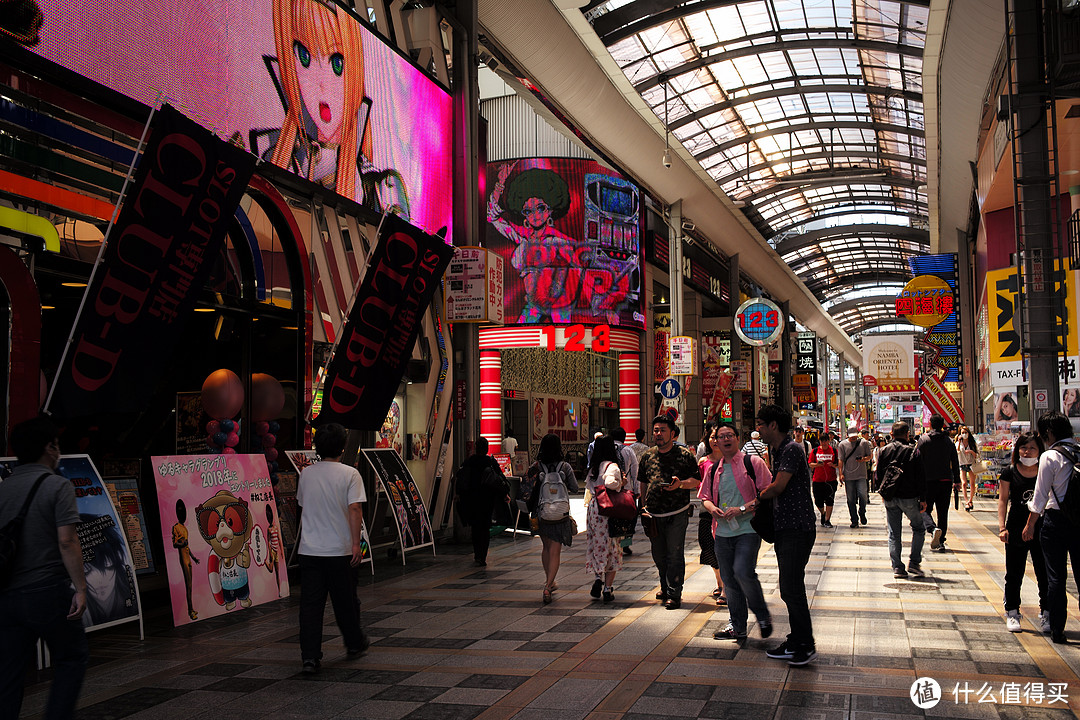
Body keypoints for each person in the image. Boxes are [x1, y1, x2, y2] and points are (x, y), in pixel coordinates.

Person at [269, 0, 408, 216]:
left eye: (337, 63)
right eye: (304, 57)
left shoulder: (379, 189)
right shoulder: (277, 155)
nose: (321, 84)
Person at [0, 417, 89, 719]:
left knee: (9, 674)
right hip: (48, 592)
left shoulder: (4, 487)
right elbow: (67, 541)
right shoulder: (57, 486)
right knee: (71, 657)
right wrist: (81, 588)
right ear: (49, 447)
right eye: (57, 445)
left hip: (8, 595)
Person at [296, 423, 370, 673]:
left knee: (310, 605)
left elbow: (303, 505)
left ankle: (309, 656)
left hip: (310, 551)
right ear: (342, 446)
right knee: (346, 602)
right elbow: (355, 509)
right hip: (339, 551)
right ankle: (354, 643)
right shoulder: (350, 474)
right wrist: (355, 544)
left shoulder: (306, 474)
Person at [755, 404, 818, 666]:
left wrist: (756, 496)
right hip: (786, 527)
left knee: (792, 587)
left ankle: (805, 644)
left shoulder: (791, 448)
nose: (757, 429)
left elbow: (779, 486)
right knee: (789, 587)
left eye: (760, 423)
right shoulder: (779, 449)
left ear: (773, 425)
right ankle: (796, 640)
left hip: (797, 527)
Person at [698, 423, 773, 641]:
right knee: (729, 580)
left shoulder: (753, 462)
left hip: (748, 529)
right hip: (722, 533)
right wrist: (714, 510)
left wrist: (742, 509)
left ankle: (762, 615)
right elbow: (705, 498)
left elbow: (767, 492)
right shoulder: (713, 469)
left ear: (738, 438)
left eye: (729, 435)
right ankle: (737, 626)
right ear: (716, 442)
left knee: (742, 572)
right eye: (721, 436)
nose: (725, 439)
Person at [488, 161, 581, 323]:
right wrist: (500, 183)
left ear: (551, 209)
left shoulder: (557, 242)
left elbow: (580, 269)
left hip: (559, 305)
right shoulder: (521, 238)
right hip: (533, 304)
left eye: (540, 208)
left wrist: (604, 303)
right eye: (528, 211)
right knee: (516, 340)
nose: (535, 215)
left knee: (567, 344)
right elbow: (492, 217)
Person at [1022, 411, 1079, 643]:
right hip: (1079, 522)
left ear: (1048, 433)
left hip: (1055, 522)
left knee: (1056, 577)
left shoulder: (1050, 456)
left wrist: (1029, 525)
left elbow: (1040, 497)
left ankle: (1057, 629)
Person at [639, 414, 701, 609]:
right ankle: (665, 586)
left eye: (662, 430)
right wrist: (642, 506)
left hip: (677, 513)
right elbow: (643, 482)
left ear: (673, 434)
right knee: (659, 554)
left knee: (674, 554)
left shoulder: (684, 455)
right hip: (653, 515)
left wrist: (680, 485)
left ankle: (674, 593)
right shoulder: (648, 456)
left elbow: (697, 480)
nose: (658, 434)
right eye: (656, 430)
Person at [998, 432, 1049, 634]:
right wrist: (1002, 527)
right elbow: (1003, 500)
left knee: (1043, 572)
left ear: (1040, 451)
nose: (1027, 452)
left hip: (1042, 528)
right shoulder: (1009, 472)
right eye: (1023, 448)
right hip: (1015, 527)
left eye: (1032, 448)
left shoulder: (1045, 471)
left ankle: (1046, 611)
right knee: (1014, 572)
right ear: (1017, 449)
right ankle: (1012, 611)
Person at [524, 433, 579, 604]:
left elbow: (527, 489)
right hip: (560, 515)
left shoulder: (536, 466)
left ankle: (550, 580)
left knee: (546, 548)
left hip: (541, 514)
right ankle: (548, 587)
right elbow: (575, 488)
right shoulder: (565, 467)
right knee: (555, 550)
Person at [876, 422, 926, 579]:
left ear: (891, 434)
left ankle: (897, 567)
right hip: (910, 497)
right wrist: (923, 498)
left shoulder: (883, 451)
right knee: (918, 528)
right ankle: (914, 563)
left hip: (890, 497)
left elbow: (878, 474)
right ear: (907, 434)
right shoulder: (913, 451)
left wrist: (882, 492)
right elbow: (921, 476)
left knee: (894, 533)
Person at [585, 436, 626, 603]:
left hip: (594, 508)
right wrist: (620, 483)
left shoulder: (593, 468)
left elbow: (588, 487)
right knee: (613, 546)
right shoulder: (612, 466)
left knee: (597, 543)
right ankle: (608, 589)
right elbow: (610, 483)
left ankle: (597, 578)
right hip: (608, 509)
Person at [455, 437, 507, 567]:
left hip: (471, 499)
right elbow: (500, 479)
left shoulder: (469, 461)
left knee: (475, 527)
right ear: (487, 448)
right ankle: (482, 555)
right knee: (484, 527)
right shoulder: (490, 462)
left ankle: (477, 554)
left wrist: (459, 494)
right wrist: (504, 494)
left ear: (476, 448)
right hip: (487, 499)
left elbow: (460, 477)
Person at [917, 414, 961, 552]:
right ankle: (941, 541)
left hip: (927, 481)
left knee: (923, 509)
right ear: (942, 425)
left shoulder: (923, 440)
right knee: (943, 512)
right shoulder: (948, 441)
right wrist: (957, 480)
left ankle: (932, 528)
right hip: (945, 481)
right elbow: (955, 461)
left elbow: (917, 460)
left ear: (930, 424)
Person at [697, 425, 726, 607]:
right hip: (707, 509)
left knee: (724, 548)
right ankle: (719, 581)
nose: (715, 441)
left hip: (726, 510)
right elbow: (698, 484)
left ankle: (725, 588)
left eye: (719, 437)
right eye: (712, 437)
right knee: (707, 544)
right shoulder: (702, 462)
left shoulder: (732, 461)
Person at [610, 427, 639, 556]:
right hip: (627, 491)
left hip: (610, 491)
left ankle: (612, 543)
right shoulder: (628, 450)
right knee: (628, 518)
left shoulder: (607, 449)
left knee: (612, 517)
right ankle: (625, 544)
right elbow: (634, 472)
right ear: (624, 437)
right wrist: (637, 490)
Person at [172, 498, 201, 620]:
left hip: (188, 559)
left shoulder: (184, 528)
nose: (182, 514)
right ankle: (190, 610)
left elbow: (187, 546)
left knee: (190, 585)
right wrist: (182, 544)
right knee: (188, 586)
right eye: (180, 512)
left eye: (183, 512)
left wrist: (194, 558)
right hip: (183, 559)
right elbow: (174, 544)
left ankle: (192, 608)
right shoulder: (176, 527)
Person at [838, 425, 872, 528]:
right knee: (850, 499)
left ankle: (862, 511)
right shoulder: (842, 445)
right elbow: (841, 459)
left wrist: (863, 459)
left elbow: (869, 456)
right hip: (849, 475)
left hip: (861, 474)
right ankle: (854, 519)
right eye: (851, 436)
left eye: (855, 436)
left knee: (863, 495)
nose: (853, 438)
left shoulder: (864, 443)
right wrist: (841, 473)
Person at [808, 432, 837, 528]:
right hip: (817, 480)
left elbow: (838, 463)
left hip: (831, 480)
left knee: (830, 500)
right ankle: (823, 513)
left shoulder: (834, 451)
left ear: (828, 441)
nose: (824, 443)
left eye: (826, 441)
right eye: (822, 441)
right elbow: (810, 463)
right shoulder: (815, 451)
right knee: (818, 501)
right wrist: (817, 465)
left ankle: (827, 520)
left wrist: (833, 465)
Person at [956, 427, 979, 511]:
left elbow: (976, 454)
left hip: (971, 464)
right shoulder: (959, 443)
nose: (964, 434)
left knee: (972, 483)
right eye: (962, 432)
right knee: (964, 483)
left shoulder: (972, 443)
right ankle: (966, 501)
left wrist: (970, 451)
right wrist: (959, 442)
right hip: (962, 464)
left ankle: (970, 500)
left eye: (966, 432)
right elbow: (957, 451)